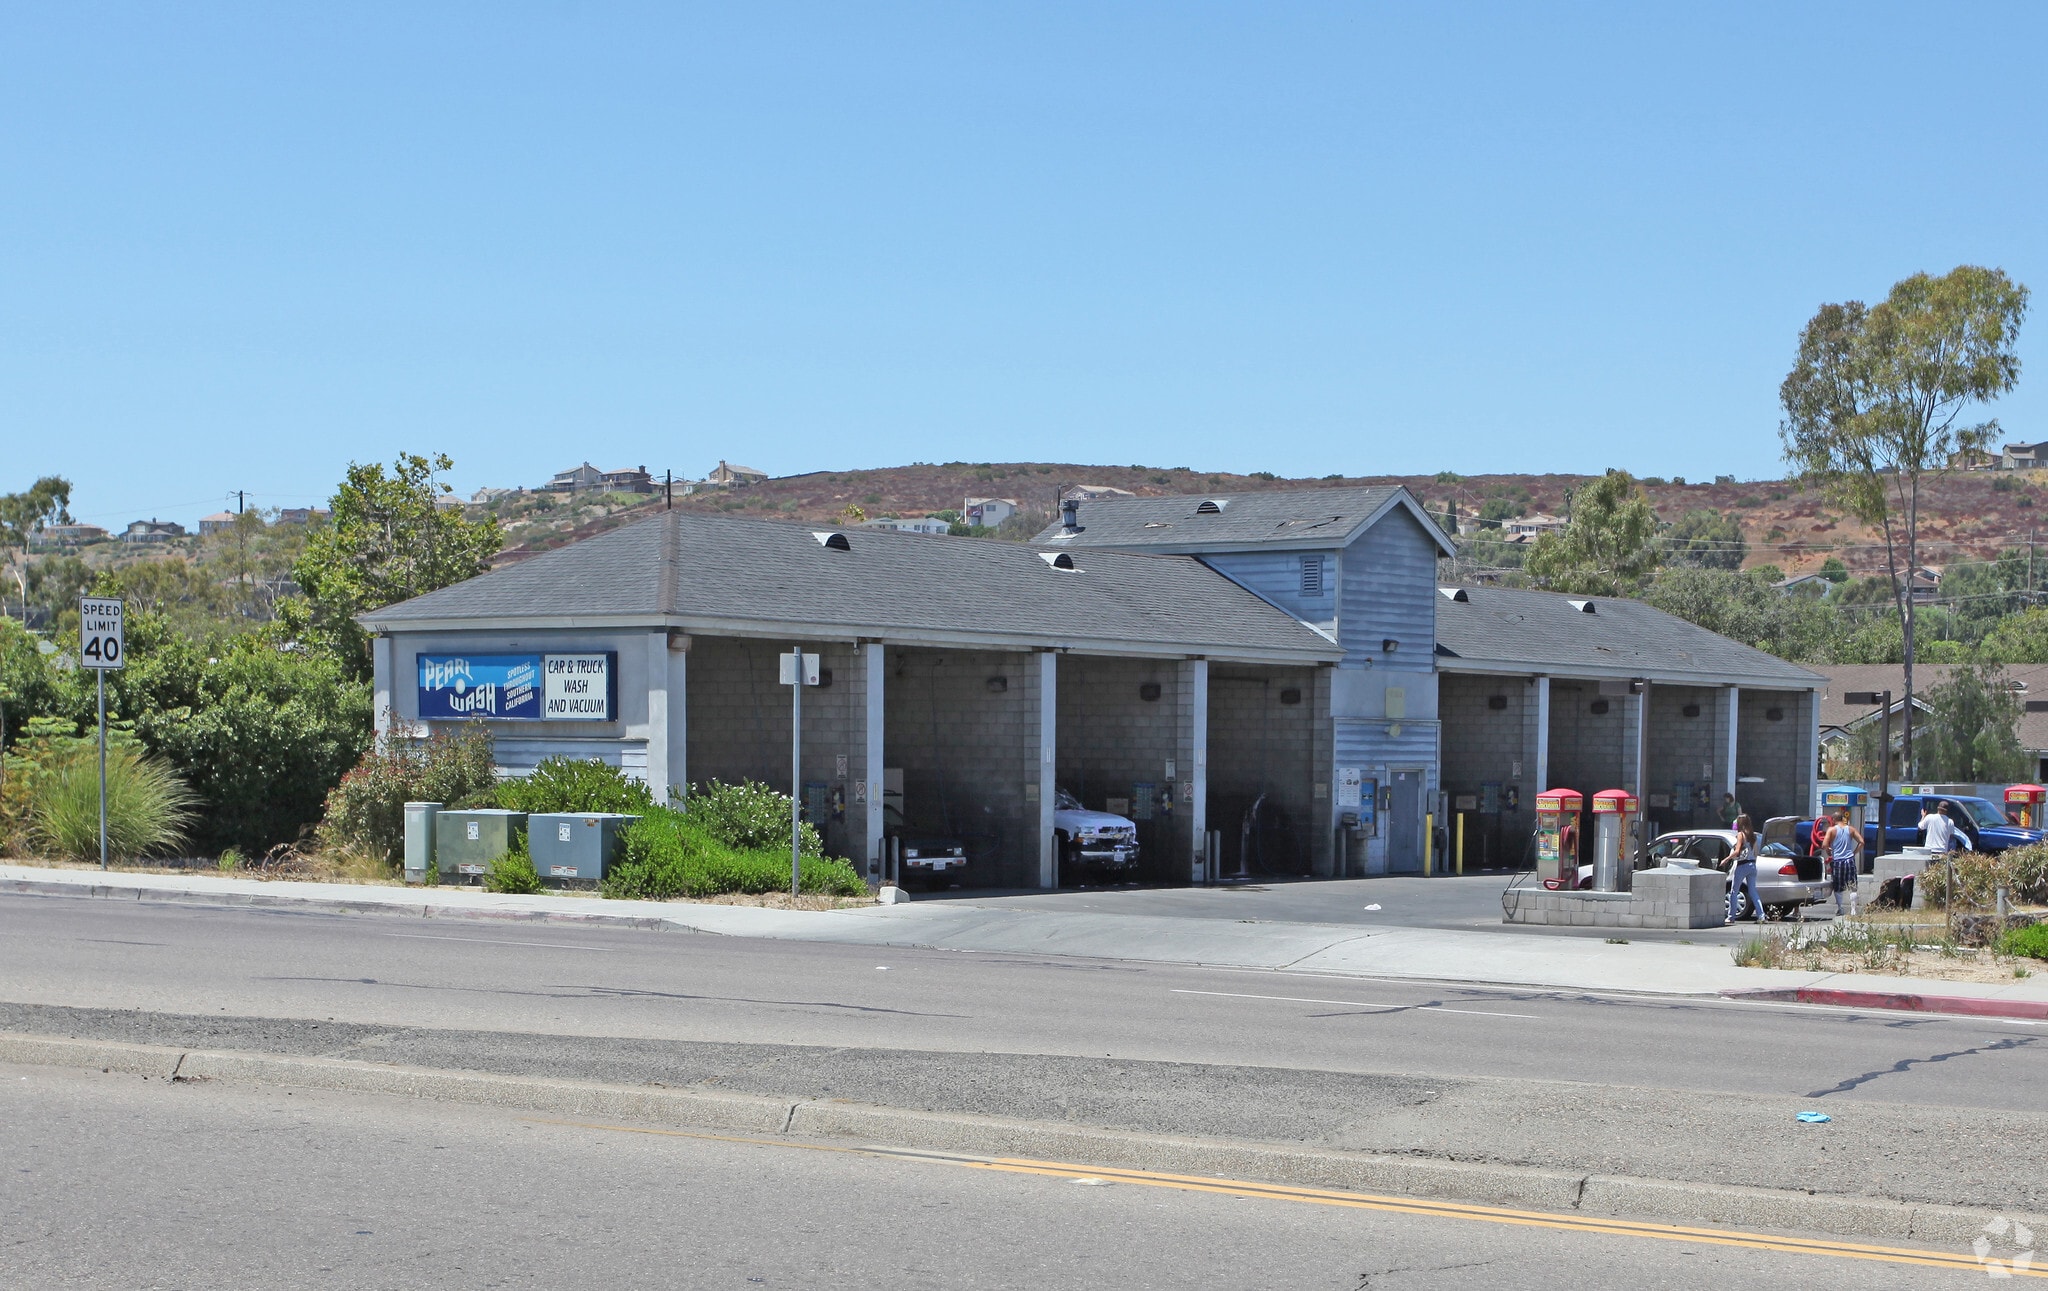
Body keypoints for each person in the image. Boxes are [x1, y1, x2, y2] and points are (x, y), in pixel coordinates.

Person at [1728, 814, 1764, 922]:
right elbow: (1757, 853)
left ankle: (1731, 917)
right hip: (1752, 864)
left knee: (1734, 891)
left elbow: (1737, 851)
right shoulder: (1753, 836)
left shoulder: (1740, 835)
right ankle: (1761, 915)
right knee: (1753, 891)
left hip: (1742, 864)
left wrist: (1727, 859)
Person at [1826, 808, 1861, 916]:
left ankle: (1840, 908)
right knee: (1852, 886)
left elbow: (1824, 844)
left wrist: (1829, 851)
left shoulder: (1831, 830)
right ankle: (1853, 910)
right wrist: (1854, 853)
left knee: (1838, 886)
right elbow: (1861, 842)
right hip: (1849, 860)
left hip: (1838, 861)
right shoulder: (1851, 829)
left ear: (1833, 819)